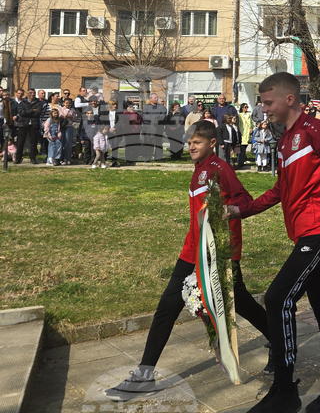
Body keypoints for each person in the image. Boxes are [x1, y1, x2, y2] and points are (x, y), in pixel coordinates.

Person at [229, 73, 320, 413]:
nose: (264, 109)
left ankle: (283, 391)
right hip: (306, 229)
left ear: (289, 99)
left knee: (279, 297)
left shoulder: (314, 131)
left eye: (268, 102)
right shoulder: (285, 141)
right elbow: (281, 190)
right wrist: (240, 209)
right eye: (262, 103)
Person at [107, 120, 271, 397]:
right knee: (167, 306)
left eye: (197, 142)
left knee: (240, 301)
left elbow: (244, 199)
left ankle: (279, 341)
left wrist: (229, 212)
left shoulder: (220, 169)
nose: (191, 146)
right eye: (189, 142)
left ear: (212, 144)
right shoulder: (199, 170)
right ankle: (144, 373)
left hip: (218, 253)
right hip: (191, 252)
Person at [15, 89, 40, 164]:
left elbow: (38, 113)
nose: (32, 94)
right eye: (31, 93)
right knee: (20, 142)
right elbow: (21, 113)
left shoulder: (38, 103)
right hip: (23, 124)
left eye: (34, 93)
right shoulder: (22, 103)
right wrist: (32, 110)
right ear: (27, 94)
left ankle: (33, 158)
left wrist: (27, 112)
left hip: (33, 125)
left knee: (33, 142)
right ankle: (18, 158)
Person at [238, 103, 253, 170]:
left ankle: (243, 159)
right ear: (242, 108)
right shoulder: (239, 115)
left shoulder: (248, 115)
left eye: (247, 107)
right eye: (245, 107)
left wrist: (251, 128)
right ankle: (241, 161)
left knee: (245, 146)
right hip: (242, 132)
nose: (246, 108)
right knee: (242, 148)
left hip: (248, 132)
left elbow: (251, 122)